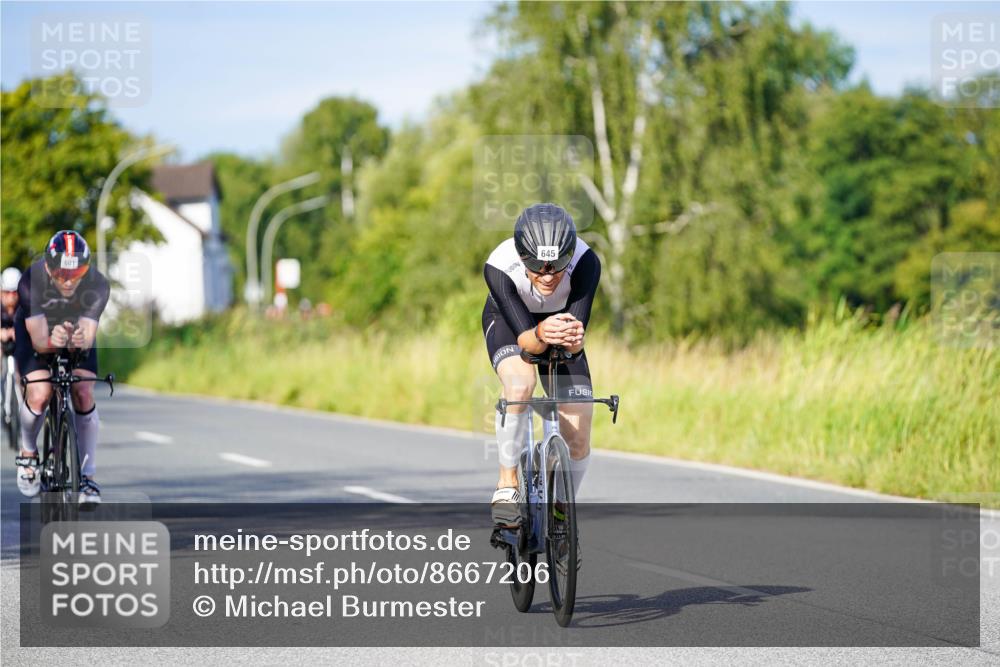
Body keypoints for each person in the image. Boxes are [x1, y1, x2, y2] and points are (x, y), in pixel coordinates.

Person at [482, 203, 601, 527]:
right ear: (522, 257)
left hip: (561, 324)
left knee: (578, 431)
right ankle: (507, 483)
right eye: (538, 266)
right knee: (520, 385)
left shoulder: (586, 261)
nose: (548, 275)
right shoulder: (499, 265)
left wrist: (573, 340)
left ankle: (562, 510)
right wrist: (539, 332)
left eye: (557, 265)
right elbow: (528, 343)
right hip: (512, 324)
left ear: (569, 254)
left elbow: (575, 335)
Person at [13, 231, 110, 506]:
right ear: (47, 266)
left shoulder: (98, 284)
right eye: (60, 273)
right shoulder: (32, 281)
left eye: (76, 271)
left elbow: (88, 335)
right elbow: (41, 342)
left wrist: (79, 341)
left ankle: (88, 478)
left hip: (72, 331)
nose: (68, 280)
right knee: (41, 392)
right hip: (36, 334)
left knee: (83, 392)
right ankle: (29, 453)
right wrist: (51, 341)